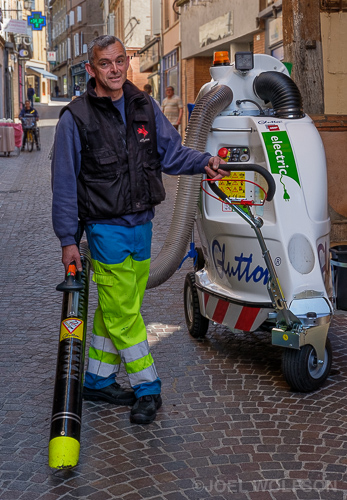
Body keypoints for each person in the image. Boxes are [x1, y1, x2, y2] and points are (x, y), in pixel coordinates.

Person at [51, 35, 227, 425]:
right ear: (92, 69)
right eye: (105, 63)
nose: (114, 69)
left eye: (119, 61)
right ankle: (148, 388)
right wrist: (68, 240)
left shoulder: (143, 105)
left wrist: (205, 162)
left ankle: (97, 379)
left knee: (118, 310)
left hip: (142, 226)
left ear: (127, 63)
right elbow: (64, 182)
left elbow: (172, 153)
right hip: (105, 230)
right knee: (125, 318)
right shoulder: (75, 118)